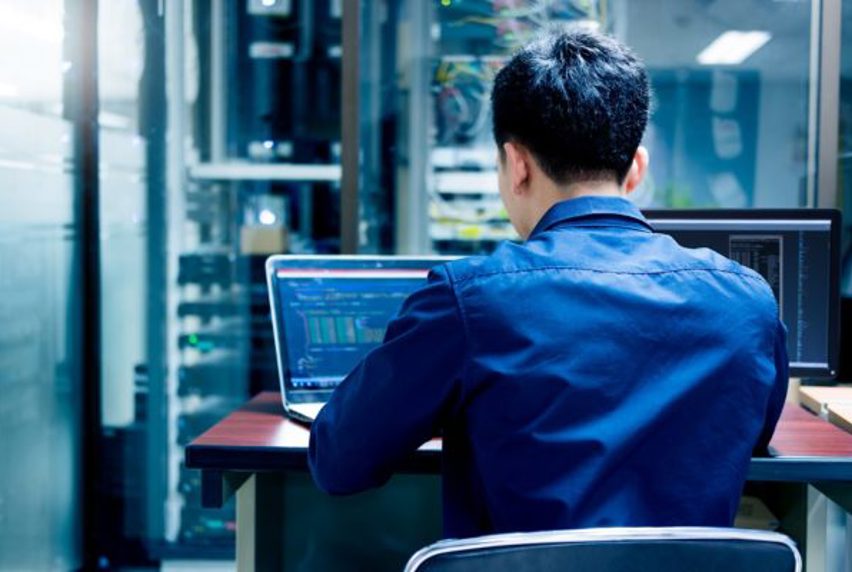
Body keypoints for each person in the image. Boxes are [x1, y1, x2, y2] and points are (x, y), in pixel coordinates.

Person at [309, 28, 788, 538]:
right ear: (637, 169)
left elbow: (340, 461)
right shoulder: (748, 301)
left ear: (516, 165)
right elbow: (749, 437)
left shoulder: (471, 300)